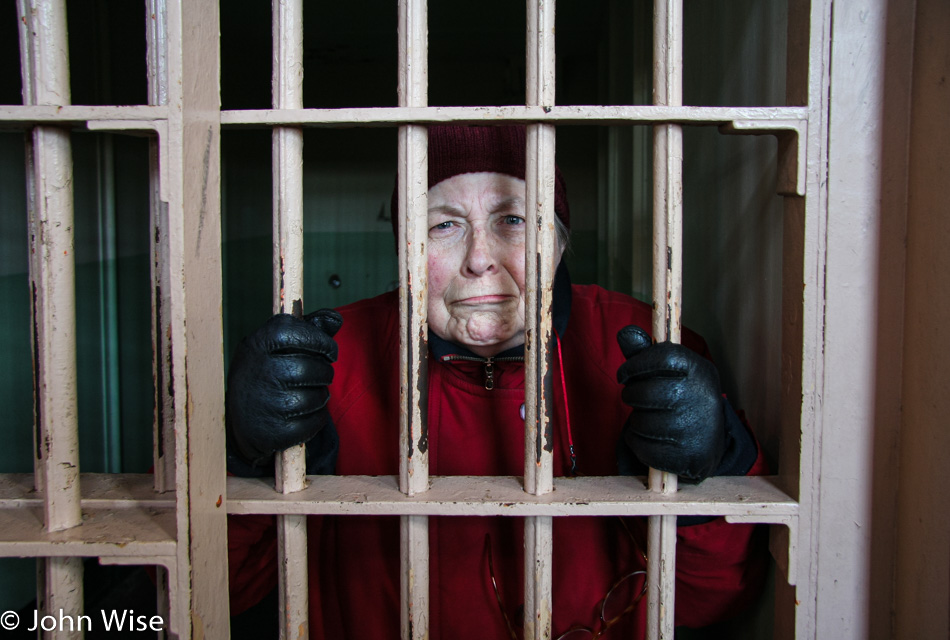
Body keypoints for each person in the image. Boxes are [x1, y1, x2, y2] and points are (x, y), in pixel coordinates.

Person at [225, 125, 767, 639]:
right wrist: (240, 458)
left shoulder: (647, 350)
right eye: (443, 225)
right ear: (404, 251)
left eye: (513, 220)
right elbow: (228, 592)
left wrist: (713, 469)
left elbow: (710, 602)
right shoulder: (329, 364)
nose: (480, 259)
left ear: (558, 242)